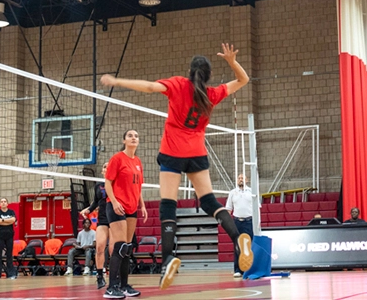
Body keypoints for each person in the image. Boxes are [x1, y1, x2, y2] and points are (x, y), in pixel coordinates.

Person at [100, 43, 253, 290]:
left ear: (190, 71)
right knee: (210, 202)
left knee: (168, 205)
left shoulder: (179, 84)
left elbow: (150, 87)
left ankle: (168, 258)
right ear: (208, 76)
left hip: (172, 153)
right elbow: (243, 79)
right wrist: (232, 61)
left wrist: (117, 81)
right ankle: (237, 239)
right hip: (197, 154)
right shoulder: (211, 94)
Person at [102, 129, 147, 298]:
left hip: (132, 207)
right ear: (124, 141)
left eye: (136, 135)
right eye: (130, 136)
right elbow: (108, 183)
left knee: (127, 248)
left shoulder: (138, 162)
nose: (134, 138)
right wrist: (114, 202)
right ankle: (111, 287)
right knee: (120, 246)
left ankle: (124, 286)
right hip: (116, 206)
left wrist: (141, 205)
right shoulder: (117, 158)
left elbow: (138, 187)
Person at [81, 163, 111, 289]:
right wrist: (87, 210)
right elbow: (95, 202)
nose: (106, 168)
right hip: (103, 219)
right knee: (99, 247)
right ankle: (100, 276)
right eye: (104, 166)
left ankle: (116, 277)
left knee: (114, 250)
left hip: (115, 219)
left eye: (108, 166)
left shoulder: (117, 183)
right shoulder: (99, 186)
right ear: (102, 171)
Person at [225, 173, 254, 277]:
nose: (240, 180)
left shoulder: (252, 191)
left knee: (250, 245)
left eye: (242, 178)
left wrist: (258, 222)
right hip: (237, 221)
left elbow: (257, 208)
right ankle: (238, 270)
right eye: (239, 178)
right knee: (237, 245)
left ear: (247, 180)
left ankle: (249, 270)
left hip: (249, 221)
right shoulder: (232, 193)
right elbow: (228, 209)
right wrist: (228, 223)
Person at [0, 198, 17, 280]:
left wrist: (3, 220)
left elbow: (13, 220)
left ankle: (11, 274)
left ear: (7, 203)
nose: (3, 203)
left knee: (9, 255)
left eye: (5, 201)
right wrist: (7, 220)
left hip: (9, 235)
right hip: (0, 236)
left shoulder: (11, 212)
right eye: (1, 202)